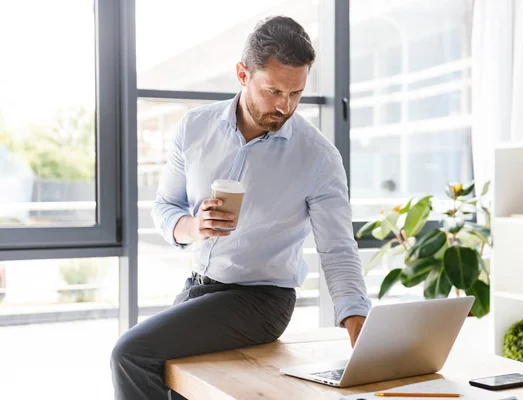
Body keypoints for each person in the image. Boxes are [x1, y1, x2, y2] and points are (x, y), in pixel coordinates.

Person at [110, 15, 371, 400]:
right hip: (197, 290)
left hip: (262, 300)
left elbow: (338, 249)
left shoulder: (317, 157)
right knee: (174, 384)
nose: (284, 106)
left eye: (296, 93)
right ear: (242, 74)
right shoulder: (194, 128)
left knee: (130, 353)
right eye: (273, 90)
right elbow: (166, 206)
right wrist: (194, 226)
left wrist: (361, 335)